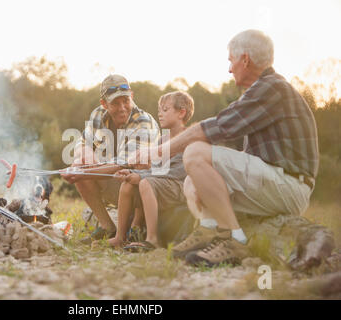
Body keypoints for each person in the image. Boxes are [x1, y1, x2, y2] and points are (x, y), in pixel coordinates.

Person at [133, 30, 319, 266]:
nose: (229, 69)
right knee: (192, 180)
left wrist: (158, 152)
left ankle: (235, 240)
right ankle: (210, 230)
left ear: (245, 59)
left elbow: (216, 127)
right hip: (274, 182)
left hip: (290, 185)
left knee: (194, 151)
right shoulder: (263, 90)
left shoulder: (272, 88)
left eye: (231, 61)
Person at [61, 74, 160, 244]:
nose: (122, 108)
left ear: (132, 97)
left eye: (126, 101)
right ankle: (107, 227)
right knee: (81, 164)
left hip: (144, 186)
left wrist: (83, 173)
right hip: (117, 180)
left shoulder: (143, 122)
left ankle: (135, 226)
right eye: (115, 103)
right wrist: (82, 157)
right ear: (104, 104)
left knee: (137, 165)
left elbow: (124, 163)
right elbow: (82, 141)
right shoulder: (98, 114)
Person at [108, 91, 194, 251]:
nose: (159, 114)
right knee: (127, 185)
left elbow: (176, 172)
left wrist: (141, 176)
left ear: (181, 113)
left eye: (165, 110)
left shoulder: (187, 138)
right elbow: (157, 169)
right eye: (159, 110)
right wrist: (134, 172)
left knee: (146, 182)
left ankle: (152, 239)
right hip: (163, 184)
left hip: (181, 186)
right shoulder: (163, 140)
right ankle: (120, 237)